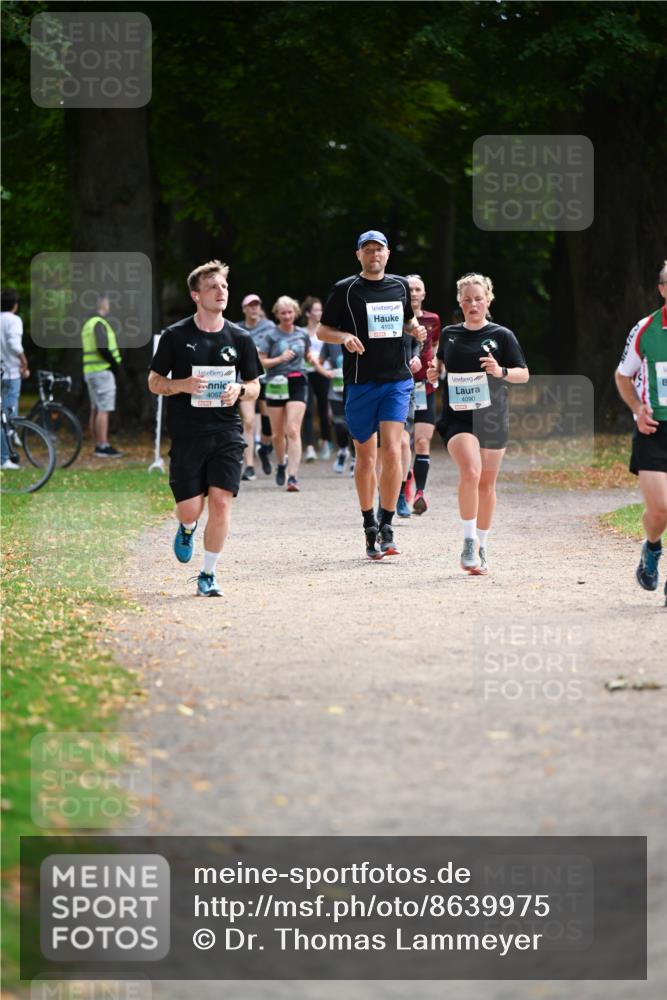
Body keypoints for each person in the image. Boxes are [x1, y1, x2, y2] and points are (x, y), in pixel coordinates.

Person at [148, 260, 261, 597]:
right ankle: (187, 527)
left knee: (222, 502)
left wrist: (239, 390)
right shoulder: (175, 335)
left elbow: (255, 386)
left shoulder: (240, 337)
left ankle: (208, 574)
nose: (221, 291)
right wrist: (181, 384)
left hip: (227, 431)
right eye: (213, 286)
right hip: (187, 432)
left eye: (224, 286)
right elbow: (154, 382)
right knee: (191, 508)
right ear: (196, 295)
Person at [318, 230, 426, 559]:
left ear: (388, 254)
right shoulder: (345, 290)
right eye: (368, 250)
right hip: (360, 382)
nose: (374, 255)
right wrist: (345, 337)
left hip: (396, 380)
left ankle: (388, 523)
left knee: (393, 449)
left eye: (379, 250)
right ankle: (369, 524)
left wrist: (415, 329)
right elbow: (323, 330)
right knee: (366, 458)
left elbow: (408, 321)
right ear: (359, 255)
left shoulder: (399, 287)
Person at [427, 272, 529, 575]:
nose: (473, 304)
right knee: (470, 471)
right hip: (458, 417)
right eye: (467, 299)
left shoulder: (502, 335)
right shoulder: (449, 333)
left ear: (488, 300)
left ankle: (482, 546)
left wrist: (500, 370)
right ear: (460, 301)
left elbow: (524, 373)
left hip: (492, 417)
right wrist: (435, 372)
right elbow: (440, 362)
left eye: (478, 299)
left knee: (486, 483)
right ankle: (468, 542)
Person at [614, 261, 667, 605]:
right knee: (660, 509)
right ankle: (651, 547)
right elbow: (623, 377)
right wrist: (637, 409)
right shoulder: (645, 329)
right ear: (663, 288)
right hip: (654, 429)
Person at [259, 295, 322, 492]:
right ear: (276, 314)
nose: (286, 316)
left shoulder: (302, 334)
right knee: (278, 434)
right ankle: (281, 463)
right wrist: (279, 358)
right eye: (282, 313)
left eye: (289, 312)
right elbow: (262, 361)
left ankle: (293, 476)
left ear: (295, 313)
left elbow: (307, 354)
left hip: (298, 381)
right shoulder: (270, 336)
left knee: (293, 430)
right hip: (276, 383)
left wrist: (311, 359)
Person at [406, 274, 441, 515]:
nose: (414, 293)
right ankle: (399, 488)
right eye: (410, 289)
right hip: (400, 386)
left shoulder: (433, 319)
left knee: (421, 441)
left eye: (418, 289)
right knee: (399, 444)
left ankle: (420, 492)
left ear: (424, 294)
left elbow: (436, 348)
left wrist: (436, 368)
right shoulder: (396, 318)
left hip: (425, 387)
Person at [236, 293, 275, 479]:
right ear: (244, 309)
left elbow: (278, 349)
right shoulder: (236, 329)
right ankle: (249, 466)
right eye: (250, 306)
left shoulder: (269, 328)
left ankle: (264, 449)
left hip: (267, 380)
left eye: (256, 305)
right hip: (244, 380)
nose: (253, 309)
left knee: (269, 425)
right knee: (249, 422)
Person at [81, 293, 123, 457]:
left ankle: (97, 445)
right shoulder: (99, 323)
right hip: (102, 371)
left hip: (90, 371)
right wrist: (114, 365)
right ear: (102, 303)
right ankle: (103, 445)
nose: (109, 304)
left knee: (96, 408)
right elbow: (102, 348)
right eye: (107, 301)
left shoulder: (88, 324)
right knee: (104, 410)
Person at [300, 296, 333, 462]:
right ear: (307, 313)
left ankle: (326, 442)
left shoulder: (326, 330)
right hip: (306, 373)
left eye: (321, 309)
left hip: (324, 372)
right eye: (316, 310)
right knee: (307, 410)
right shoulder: (301, 332)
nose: (319, 313)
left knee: (324, 409)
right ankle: (310, 447)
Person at [1, 288, 30, 469]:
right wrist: (24, 362)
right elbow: (13, 343)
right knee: (8, 417)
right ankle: (5, 457)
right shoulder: (14, 320)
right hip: (10, 373)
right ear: (15, 305)